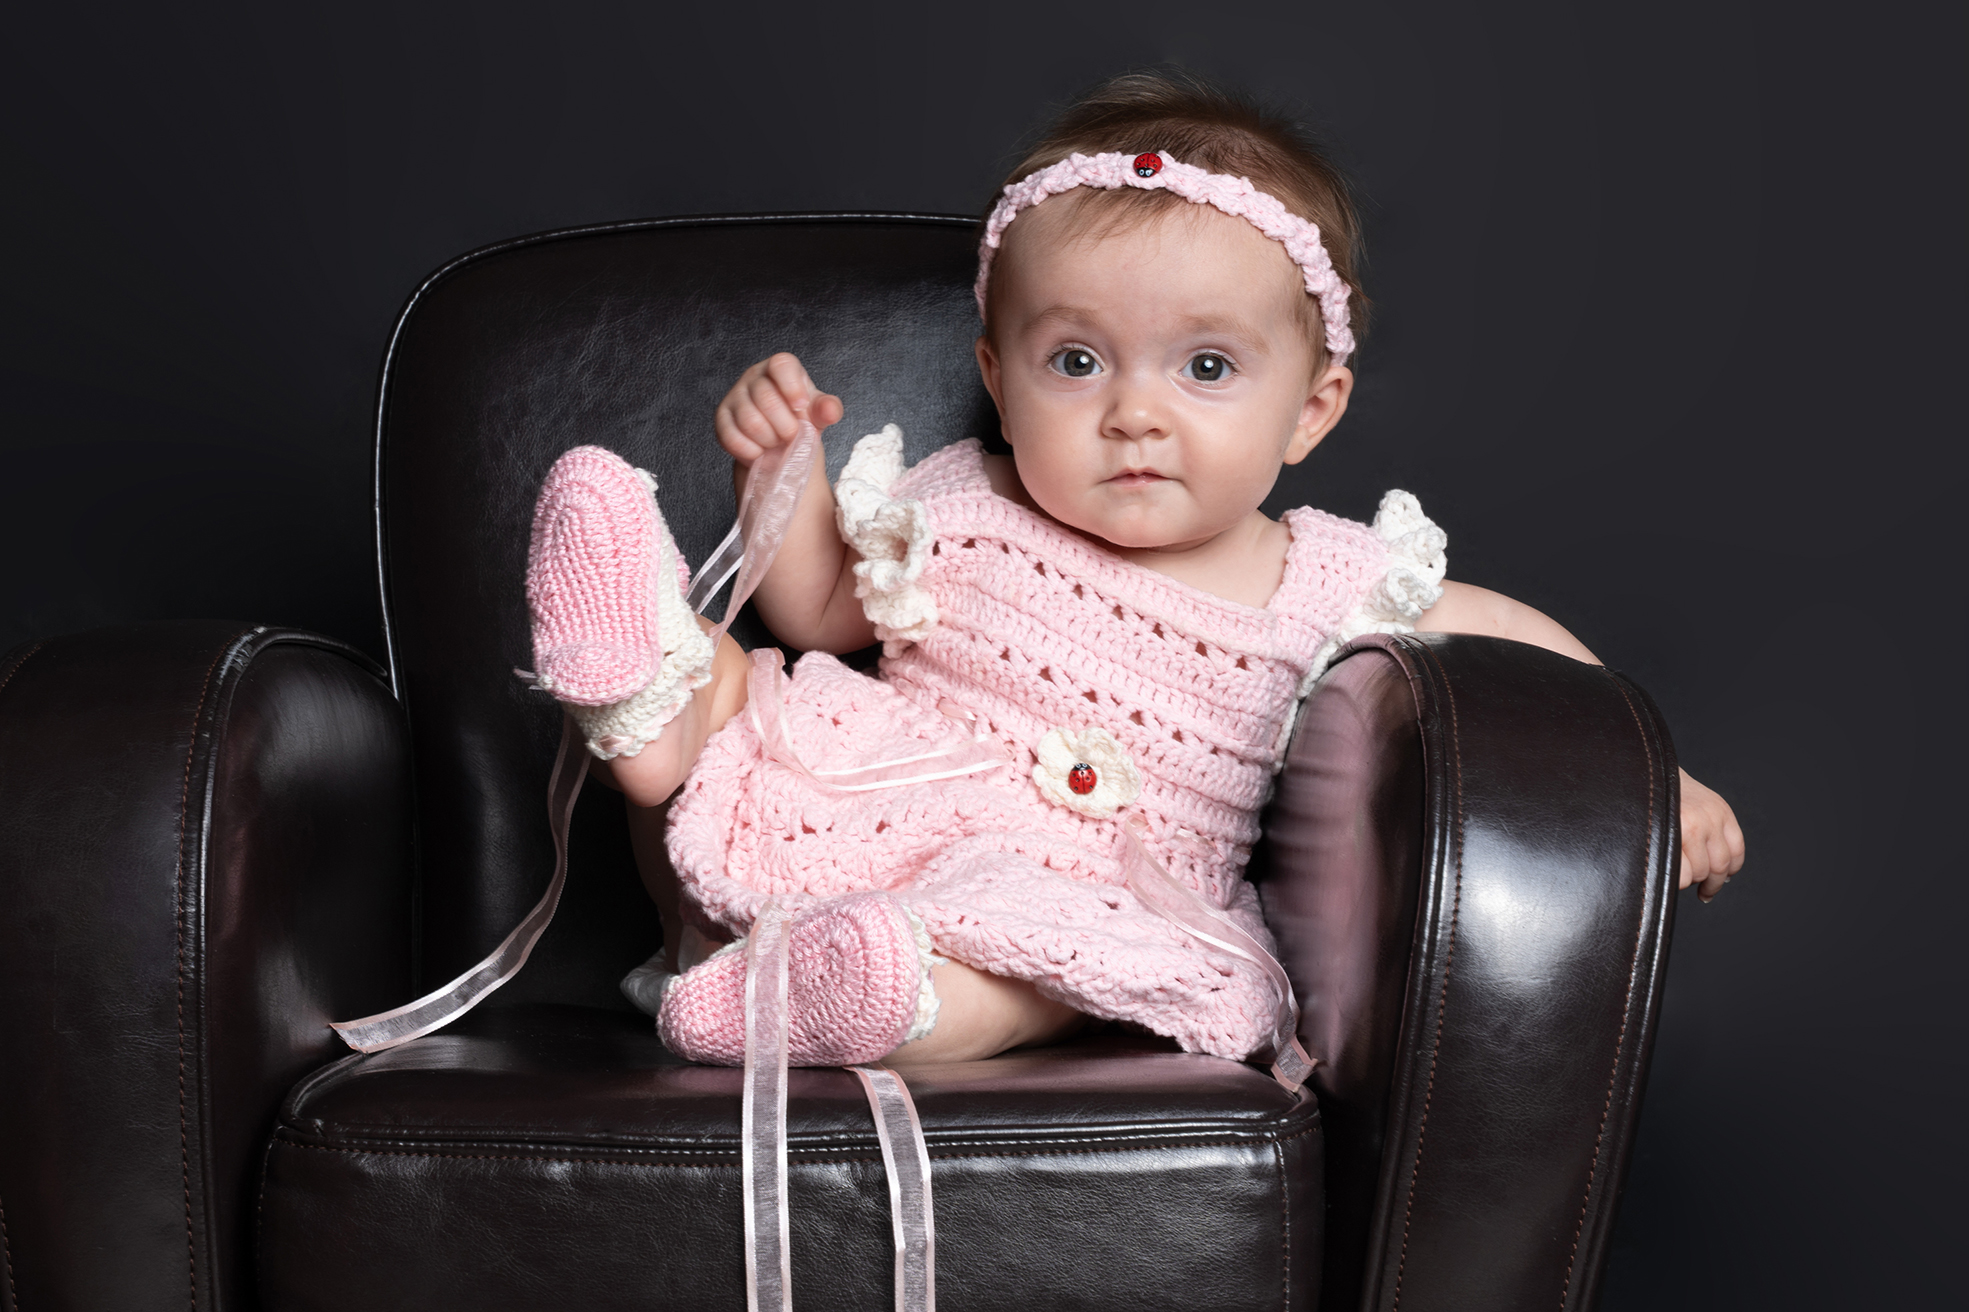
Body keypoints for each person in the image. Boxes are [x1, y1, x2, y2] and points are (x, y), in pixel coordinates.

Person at [522, 72, 1744, 1073]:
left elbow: (1507, 633)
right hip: (878, 796)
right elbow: (819, 612)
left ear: (1309, 410)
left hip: (1091, 890)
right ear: (998, 378)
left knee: (1022, 986)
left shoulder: (1320, 578)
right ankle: (652, 691)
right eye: (1076, 361)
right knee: (753, 687)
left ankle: (834, 999)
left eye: (1205, 368)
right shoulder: (963, 496)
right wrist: (778, 470)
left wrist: (1647, 778)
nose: (1134, 414)